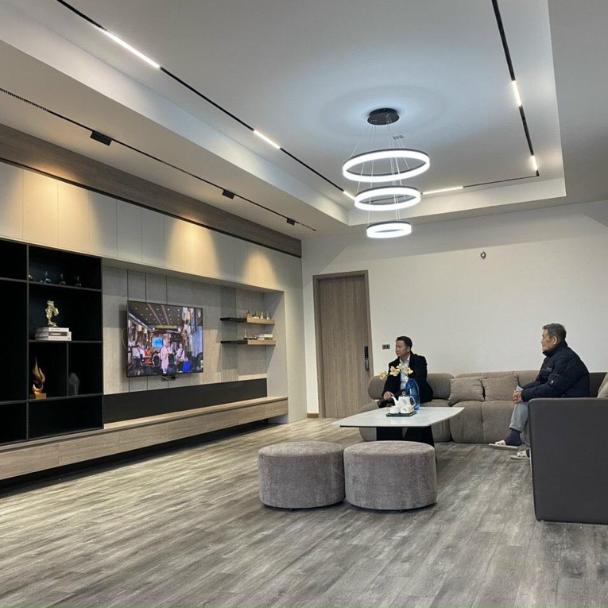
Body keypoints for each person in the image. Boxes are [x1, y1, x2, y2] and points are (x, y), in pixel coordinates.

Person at [490, 323, 590, 461]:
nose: (541, 341)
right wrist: (522, 390)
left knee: (529, 401)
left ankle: (527, 445)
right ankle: (519, 439)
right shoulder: (551, 358)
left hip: (571, 404)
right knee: (524, 395)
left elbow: (553, 388)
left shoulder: (566, 358)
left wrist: (524, 395)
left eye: (543, 337)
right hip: (560, 397)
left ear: (554, 340)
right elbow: (541, 381)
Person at [381, 335, 434, 406]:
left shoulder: (419, 360)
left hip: (416, 393)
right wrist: (387, 391)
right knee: (385, 401)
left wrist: (403, 392)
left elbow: (420, 380)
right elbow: (390, 382)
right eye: (396, 347)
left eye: (400, 347)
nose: (397, 350)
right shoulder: (393, 364)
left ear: (408, 349)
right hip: (399, 395)